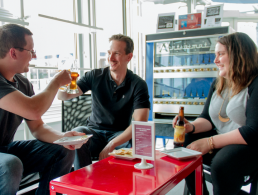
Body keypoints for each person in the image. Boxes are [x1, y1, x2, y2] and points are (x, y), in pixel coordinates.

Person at [0, 24, 86, 195]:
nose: (35, 56)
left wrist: (63, 138)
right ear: (13, 52)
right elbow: (33, 110)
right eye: (31, 51)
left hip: (2, 151)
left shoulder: (23, 83)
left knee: (61, 150)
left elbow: (38, 127)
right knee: (7, 165)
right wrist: (55, 82)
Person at [172, 32, 258, 195]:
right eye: (215, 54)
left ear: (238, 55)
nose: (215, 60)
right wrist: (191, 127)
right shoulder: (219, 83)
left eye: (221, 54)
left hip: (249, 146)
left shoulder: (255, 83)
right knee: (185, 142)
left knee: (222, 164)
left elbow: (253, 132)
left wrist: (210, 142)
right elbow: (207, 119)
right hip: (222, 140)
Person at [58, 34, 151, 170]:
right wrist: (60, 82)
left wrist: (112, 143)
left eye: (116, 53)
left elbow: (140, 123)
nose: (110, 58)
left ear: (129, 57)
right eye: (109, 53)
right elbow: (64, 96)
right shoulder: (94, 76)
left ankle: (123, 185)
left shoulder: (138, 84)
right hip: (93, 133)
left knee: (139, 141)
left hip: (119, 134)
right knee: (78, 133)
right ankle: (83, 184)